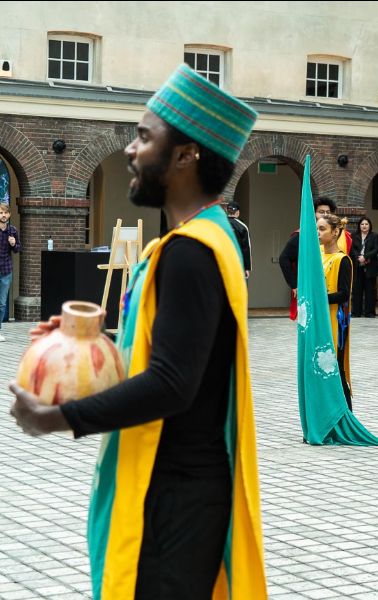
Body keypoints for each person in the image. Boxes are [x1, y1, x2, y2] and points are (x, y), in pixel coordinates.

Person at [9, 64, 267, 598]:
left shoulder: (191, 252)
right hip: (186, 489)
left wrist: (56, 417)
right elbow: (185, 351)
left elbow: (173, 384)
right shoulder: (203, 239)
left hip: (176, 497)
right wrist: (94, 345)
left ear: (184, 154)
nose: (130, 149)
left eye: (144, 136)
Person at [279, 196, 353, 319]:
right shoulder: (304, 235)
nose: (324, 215)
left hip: (333, 296)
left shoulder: (344, 242)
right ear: (314, 214)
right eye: (321, 212)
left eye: (327, 212)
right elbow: (284, 258)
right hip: (316, 295)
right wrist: (295, 285)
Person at [318, 212, 354, 410]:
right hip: (322, 318)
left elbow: (343, 295)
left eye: (322, 229)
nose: (318, 233)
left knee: (336, 368)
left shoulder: (342, 260)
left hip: (336, 320)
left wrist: (319, 298)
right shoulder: (319, 257)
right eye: (317, 228)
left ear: (335, 232)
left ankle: (346, 415)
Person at [351, 216, 378, 318]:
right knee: (357, 290)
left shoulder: (374, 236)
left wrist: (365, 257)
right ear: (359, 226)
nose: (364, 226)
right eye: (362, 224)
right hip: (357, 265)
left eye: (366, 224)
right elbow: (352, 249)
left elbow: (376, 249)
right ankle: (356, 312)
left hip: (370, 266)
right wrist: (358, 258)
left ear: (370, 226)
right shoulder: (354, 236)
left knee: (370, 290)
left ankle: (369, 312)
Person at [0, 202, 20, 342]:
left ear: (9, 214)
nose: (3, 215)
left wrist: (13, 244)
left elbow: (18, 249)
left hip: (6, 270)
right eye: (1, 213)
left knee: (1, 303)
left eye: (5, 213)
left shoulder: (12, 230)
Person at [227, 200, 252, 279]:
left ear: (227, 210)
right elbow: (246, 248)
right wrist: (247, 268)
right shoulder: (242, 227)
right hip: (237, 263)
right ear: (237, 212)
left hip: (222, 261)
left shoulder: (220, 224)